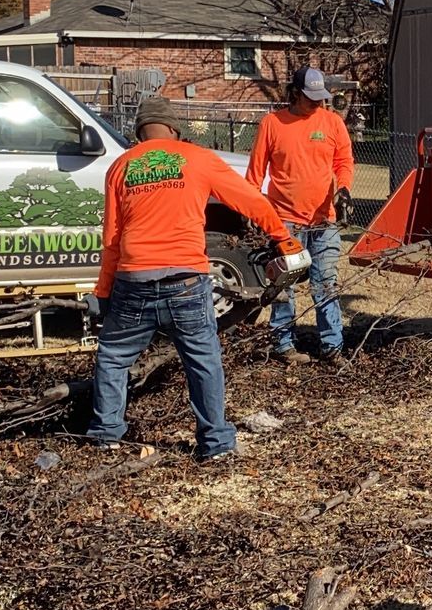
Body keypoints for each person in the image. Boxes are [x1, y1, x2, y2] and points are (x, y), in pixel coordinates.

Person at [89, 96, 306, 462]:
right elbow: (250, 201)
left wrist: (103, 290)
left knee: (113, 357)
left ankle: (107, 437)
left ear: (139, 133)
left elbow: (111, 237)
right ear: (175, 129)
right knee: (203, 361)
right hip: (186, 280)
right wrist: (284, 240)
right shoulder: (198, 159)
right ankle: (215, 444)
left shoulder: (121, 166)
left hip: (133, 278)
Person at [247, 65, 354, 365]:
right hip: (284, 221)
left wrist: (343, 188)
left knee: (325, 283)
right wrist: (251, 211)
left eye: (321, 98)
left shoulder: (332, 123)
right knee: (284, 284)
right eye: (310, 98)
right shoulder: (272, 123)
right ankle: (284, 346)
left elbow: (344, 161)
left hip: (324, 219)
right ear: (294, 93)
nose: (317, 103)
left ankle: (332, 347)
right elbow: (255, 173)